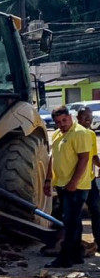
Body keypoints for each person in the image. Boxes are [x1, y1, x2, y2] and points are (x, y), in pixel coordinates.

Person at [44, 106, 94, 267]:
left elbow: (84, 159)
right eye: (58, 122)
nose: (62, 124)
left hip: (76, 186)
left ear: (70, 117)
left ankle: (65, 258)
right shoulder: (59, 134)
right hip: (62, 184)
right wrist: (48, 180)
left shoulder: (80, 133)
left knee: (70, 222)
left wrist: (74, 182)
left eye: (64, 120)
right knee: (74, 221)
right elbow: (53, 158)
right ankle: (76, 255)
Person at [77, 107, 100, 249]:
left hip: (90, 181)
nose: (88, 119)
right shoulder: (74, 134)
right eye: (84, 116)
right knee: (75, 215)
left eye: (90, 116)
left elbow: (94, 157)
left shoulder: (91, 134)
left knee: (97, 211)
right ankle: (76, 244)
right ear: (78, 118)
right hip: (77, 182)